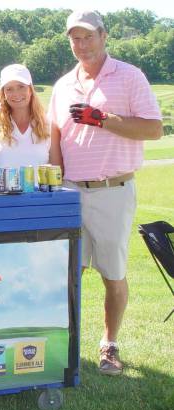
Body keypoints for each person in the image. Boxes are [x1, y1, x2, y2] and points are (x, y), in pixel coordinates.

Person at [49, 10, 163, 376]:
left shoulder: (129, 76)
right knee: (68, 271)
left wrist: (103, 119)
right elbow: (56, 138)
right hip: (69, 193)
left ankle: (109, 345)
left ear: (104, 35)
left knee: (112, 273)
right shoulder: (64, 84)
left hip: (113, 189)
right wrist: (54, 186)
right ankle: (65, 344)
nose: (81, 45)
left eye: (87, 37)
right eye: (74, 39)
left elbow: (154, 130)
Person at [0, 64, 49, 184]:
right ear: (4, 94)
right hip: (2, 200)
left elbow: (56, 169)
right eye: (9, 89)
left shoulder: (47, 125)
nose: (16, 93)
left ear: (30, 90)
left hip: (37, 201)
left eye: (21, 87)